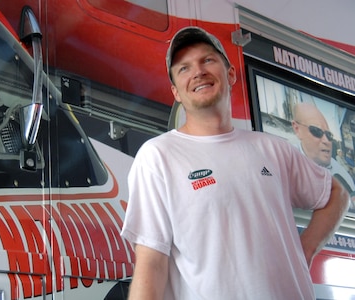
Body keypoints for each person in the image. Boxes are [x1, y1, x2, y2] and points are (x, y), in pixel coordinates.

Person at [120, 26, 349, 299]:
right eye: (184, 68)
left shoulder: (274, 149)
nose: (198, 72)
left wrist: (306, 249)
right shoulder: (158, 156)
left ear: (230, 75)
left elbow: (337, 194)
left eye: (208, 60)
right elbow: (151, 262)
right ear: (176, 92)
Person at [292, 102, 355, 208]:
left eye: (329, 135)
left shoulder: (342, 175)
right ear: (297, 129)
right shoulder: (283, 162)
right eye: (317, 131)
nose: (326, 141)